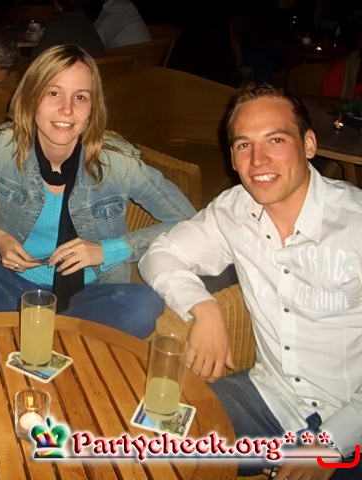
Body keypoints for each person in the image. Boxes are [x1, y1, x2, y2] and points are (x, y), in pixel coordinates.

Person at [139, 83, 362, 479]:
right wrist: (203, 306)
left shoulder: (355, 224)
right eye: (244, 145)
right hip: (268, 397)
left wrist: (328, 444)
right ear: (232, 157)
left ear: (309, 144)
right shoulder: (234, 210)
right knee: (152, 446)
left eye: (276, 140)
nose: (258, 160)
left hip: (350, 419)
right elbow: (159, 256)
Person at [0, 44, 196, 338]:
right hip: (12, 285)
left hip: (89, 292)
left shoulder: (118, 163)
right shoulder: (2, 146)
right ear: (31, 97)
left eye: (80, 97)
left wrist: (106, 251)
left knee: (142, 304)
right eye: (53, 93)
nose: (67, 109)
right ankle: (60, 337)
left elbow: (187, 222)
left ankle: (26, 332)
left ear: (93, 108)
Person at [31, 0, 106, 59]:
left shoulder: (58, 22)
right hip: (98, 68)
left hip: (73, 69)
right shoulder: (86, 21)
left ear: (60, 4)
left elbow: (36, 56)